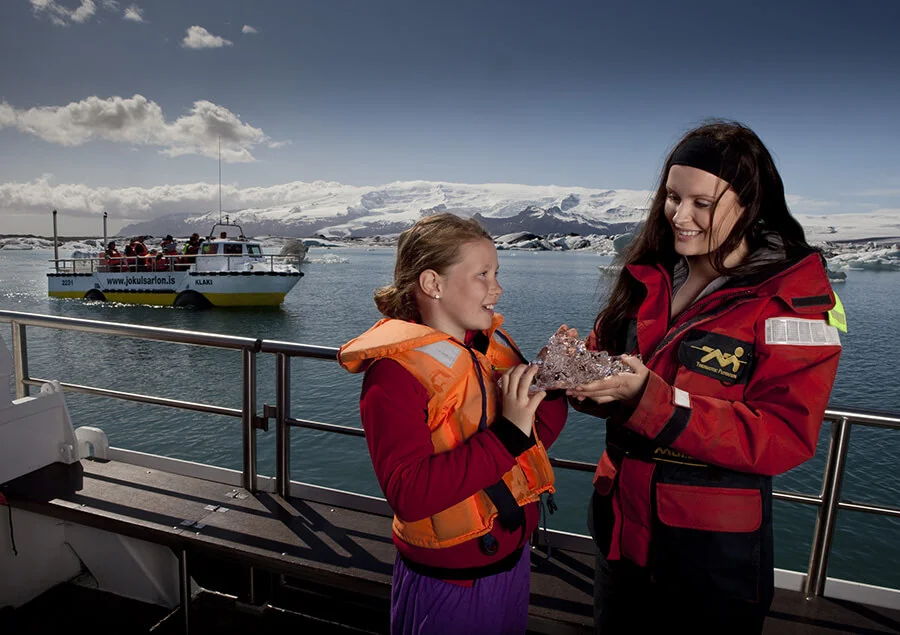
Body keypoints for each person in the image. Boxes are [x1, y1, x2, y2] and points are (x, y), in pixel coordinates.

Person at [568, 121, 843, 634]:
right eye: (673, 197)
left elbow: (783, 435)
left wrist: (651, 401)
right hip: (620, 535)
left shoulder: (793, 302)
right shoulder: (648, 275)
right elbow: (608, 362)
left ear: (750, 205)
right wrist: (581, 380)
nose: (680, 216)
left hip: (710, 559)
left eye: (703, 203)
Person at [338, 213, 568, 635]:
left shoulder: (485, 352)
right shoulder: (394, 375)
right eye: (483, 274)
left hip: (510, 563)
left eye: (496, 273)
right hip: (448, 583)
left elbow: (533, 441)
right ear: (433, 284)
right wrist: (509, 433)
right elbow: (409, 494)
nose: (497, 288)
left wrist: (556, 384)